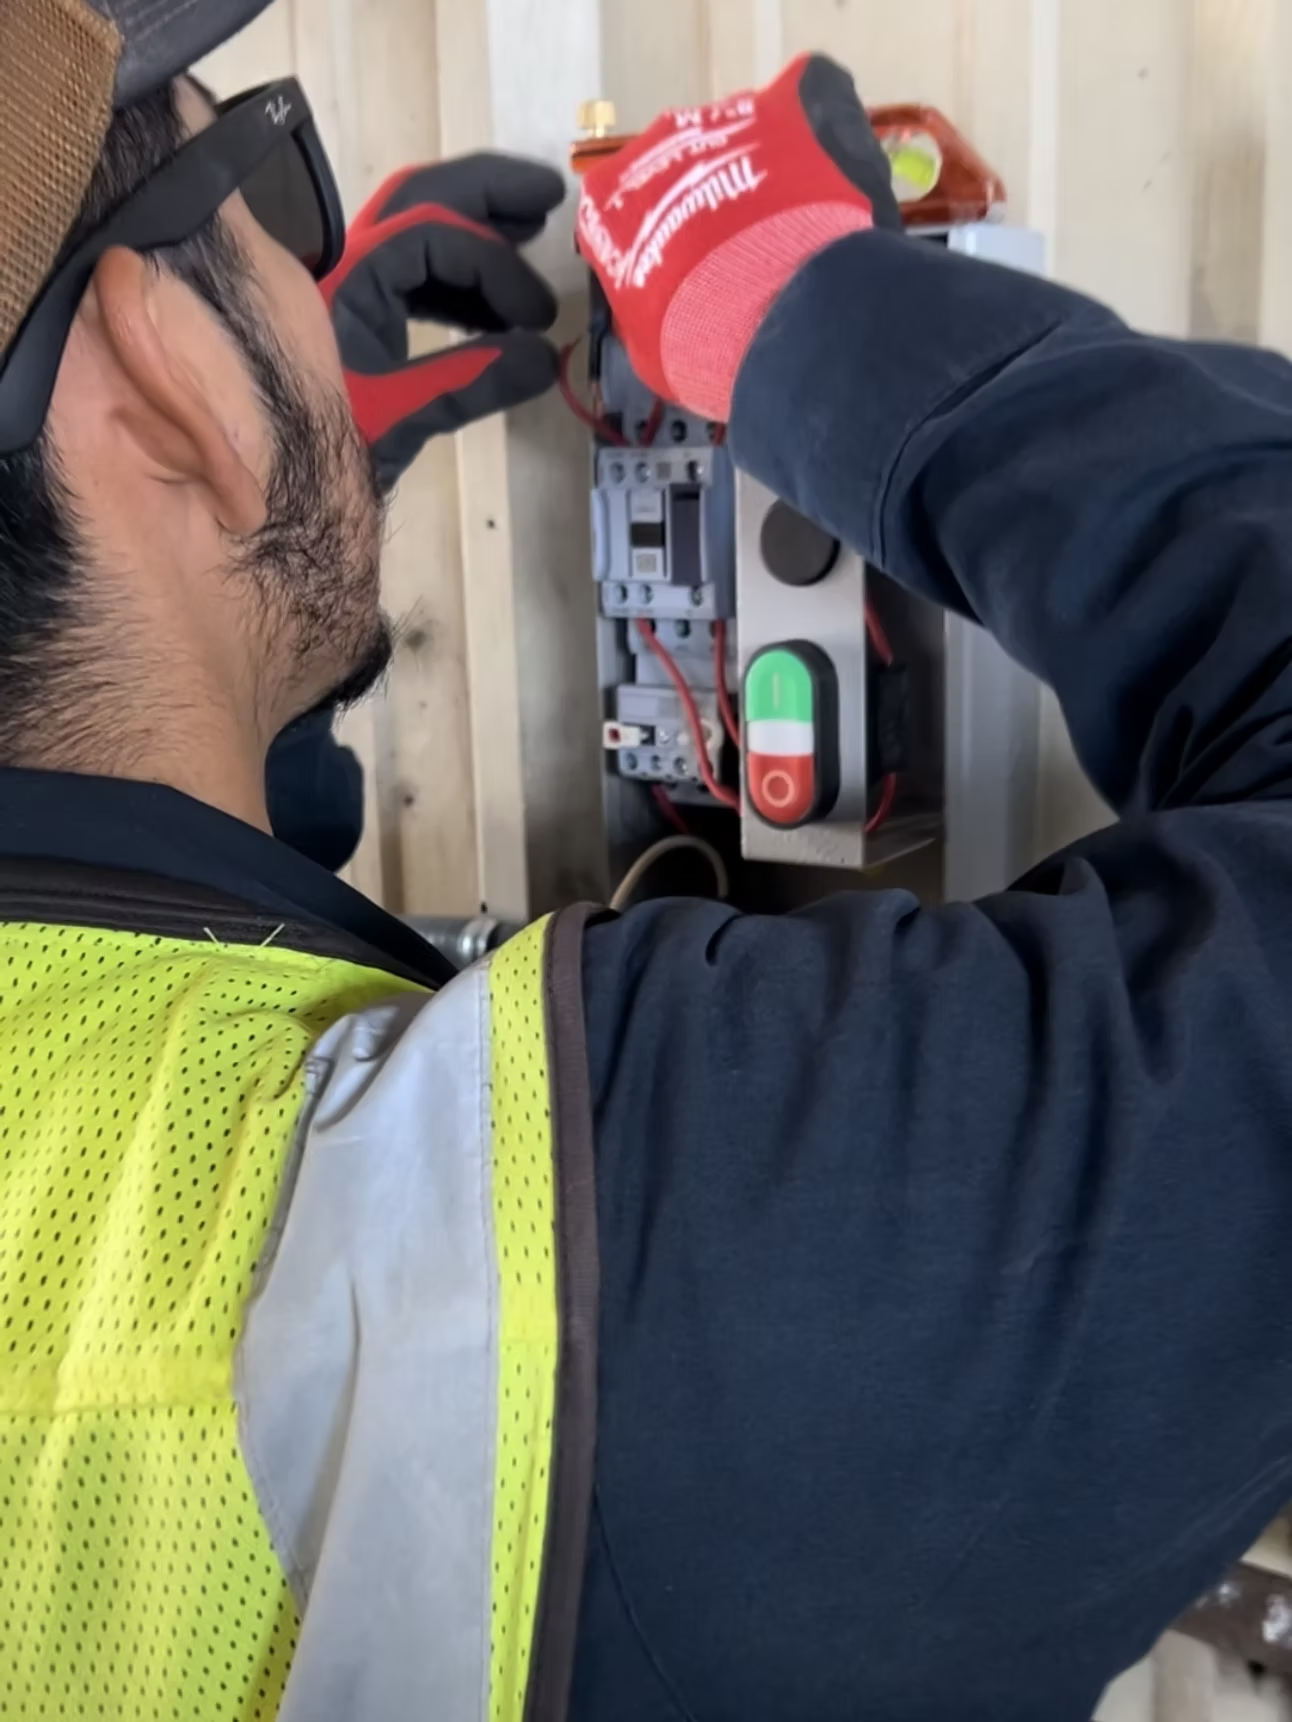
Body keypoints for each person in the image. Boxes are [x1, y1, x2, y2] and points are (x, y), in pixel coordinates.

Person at [1, 4, 1291, 1721]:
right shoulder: (577, 1305)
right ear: (161, 375)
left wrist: (251, 539)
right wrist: (813, 320)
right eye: (267, 184)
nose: (307, 266)